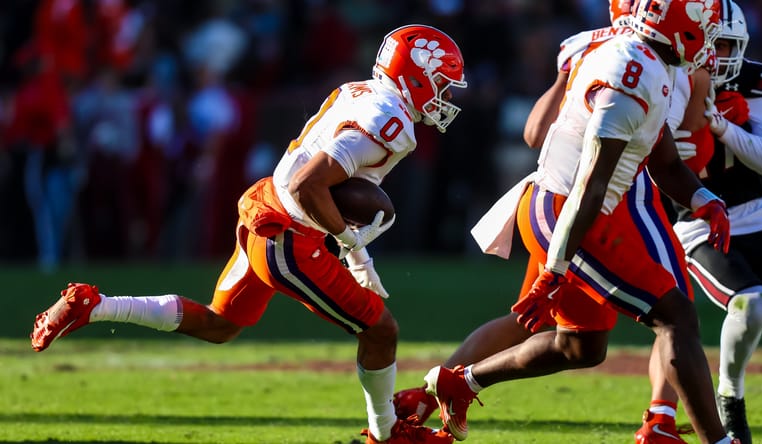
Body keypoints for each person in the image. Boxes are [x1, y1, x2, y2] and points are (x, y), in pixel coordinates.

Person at [30, 24, 467, 444]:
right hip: (289, 233)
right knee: (380, 330)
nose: (445, 96)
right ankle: (386, 433)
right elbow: (309, 184)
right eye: (442, 84)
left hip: (267, 205)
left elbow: (315, 178)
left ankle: (94, 305)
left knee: (219, 324)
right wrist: (353, 247)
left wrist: (353, 241)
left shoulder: (364, 92)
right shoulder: (390, 124)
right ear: (416, 77)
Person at [417, 1, 741, 444]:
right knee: (676, 316)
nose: (710, 42)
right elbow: (591, 183)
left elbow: (663, 159)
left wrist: (704, 198)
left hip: (579, 208)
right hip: (568, 212)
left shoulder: (647, 61)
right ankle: (717, 440)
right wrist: (554, 268)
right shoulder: (632, 74)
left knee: (580, 347)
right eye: (704, 30)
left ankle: (462, 382)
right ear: (679, 30)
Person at [664, 3, 762, 443]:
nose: (720, 55)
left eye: (730, 45)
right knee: (753, 303)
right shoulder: (666, 75)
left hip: (758, 215)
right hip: (698, 223)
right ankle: (730, 396)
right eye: (712, 43)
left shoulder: (754, 79)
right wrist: (702, 122)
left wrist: (723, 128)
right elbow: (673, 161)